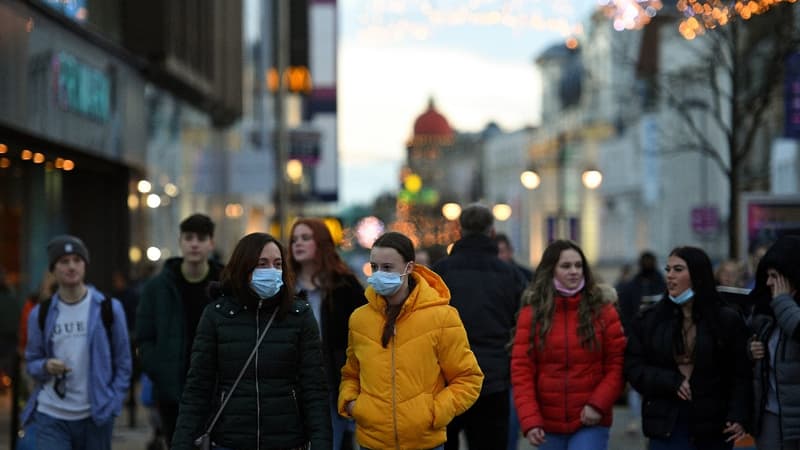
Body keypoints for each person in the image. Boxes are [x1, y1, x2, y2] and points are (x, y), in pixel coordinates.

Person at [171, 232, 331, 449]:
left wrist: (322, 444)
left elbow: (315, 389)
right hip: (230, 440)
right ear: (243, 267)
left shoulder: (298, 315)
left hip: (285, 440)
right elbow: (198, 387)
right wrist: (181, 443)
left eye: (277, 264)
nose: (271, 271)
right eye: (262, 264)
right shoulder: (217, 315)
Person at [339, 231, 484, 450]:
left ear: (408, 267)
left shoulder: (442, 316)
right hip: (372, 441)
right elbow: (351, 373)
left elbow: (468, 378)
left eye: (387, 267)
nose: (378, 274)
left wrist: (434, 413)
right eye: (375, 267)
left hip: (425, 442)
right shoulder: (360, 318)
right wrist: (353, 404)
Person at [625, 246, 752, 450]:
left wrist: (739, 415)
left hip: (712, 426)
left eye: (678, 269)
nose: (670, 276)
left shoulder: (725, 319)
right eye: (667, 270)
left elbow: (741, 373)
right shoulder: (650, 319)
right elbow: (634, 368)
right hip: (666, 423)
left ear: (697, 274)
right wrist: (670, 381)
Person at [510, 239, 626, 450]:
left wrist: (597, 405)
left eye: (578, 265)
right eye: (566, 266)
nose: (574, 271)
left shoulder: (603, 309)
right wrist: (530, 420)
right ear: (551, 270)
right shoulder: (533, 313)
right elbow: (522, 372)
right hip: (547, 424)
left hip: (590, 419)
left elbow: (617, 364)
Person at [21, 235, 132, 450]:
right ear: (53, 270)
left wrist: (113, 403)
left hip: (96, 415)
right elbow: (31, 362)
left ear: (85, 265)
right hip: (51, 414)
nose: (71, 266)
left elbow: (124, 362)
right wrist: (45, 366)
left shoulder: (109, 308)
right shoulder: (40, 313)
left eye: (77, 260)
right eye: (64, 261)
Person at [432, 204, 526, 450]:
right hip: (493, 378)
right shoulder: (511, 275)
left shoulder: (441, 272)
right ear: (492, 232)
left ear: (459, 231)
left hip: (446, 379)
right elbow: (523, 325)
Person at [136, 213, 224, 445]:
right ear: (180, 241)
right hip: (173, 392)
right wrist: (159, 371)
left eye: (201, 238)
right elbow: (144, 337)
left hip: (219, 390)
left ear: (211, 243)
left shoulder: (226, 283)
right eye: (189, 237)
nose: (194, 243)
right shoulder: (158, 287)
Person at [288, 218, 367, 450]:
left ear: (321, 243)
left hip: (334, 382)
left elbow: (362, 332)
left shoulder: (344, 285)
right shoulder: (285, 287)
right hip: (293, 383)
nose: (298, 244)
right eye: (294, 240)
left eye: (305, 238)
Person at [748, 235, 800, 449]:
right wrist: (750, 350)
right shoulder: (764, 312)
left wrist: (783, 302)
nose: (768, 282)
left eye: (775, 276)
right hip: (770, 416)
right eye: (767, 276)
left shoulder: (781, 305)